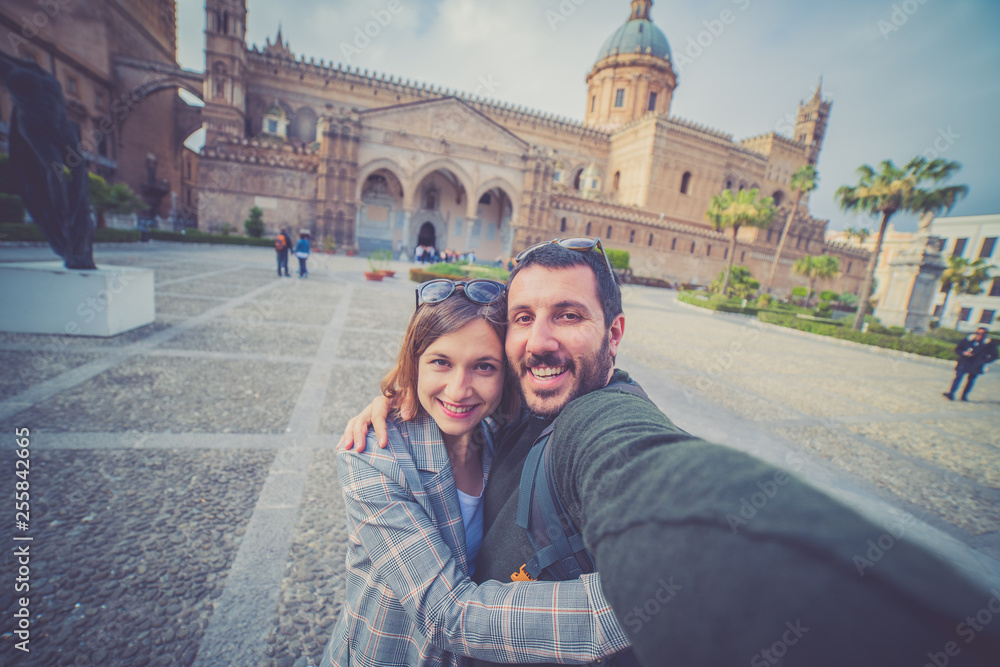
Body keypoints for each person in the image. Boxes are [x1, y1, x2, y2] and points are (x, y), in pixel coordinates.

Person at [343, 237, 1000, 666]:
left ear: (615, 330)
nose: (537, 342)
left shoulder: (591, 417)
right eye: (523, 318)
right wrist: (398, 391)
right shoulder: (404, 441)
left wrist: (653, 589)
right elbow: (447, 607)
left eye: (569, 315)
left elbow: (642, 468)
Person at [321, 277, 632, 667]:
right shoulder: (373, 457)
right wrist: (631, 607)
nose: (458, 389)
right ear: (414, 364)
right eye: (441, 362)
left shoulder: (498, 431)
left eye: (484, 367)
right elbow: (446, 614)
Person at [943, 326, 997, 401]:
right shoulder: (967, 340)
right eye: (978, 333)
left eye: (982, 334)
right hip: (964, 362)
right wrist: (963, 353)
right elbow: (957, 349)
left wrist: (983, 361)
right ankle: (951, 393)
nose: (979, 335)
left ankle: (964, 395)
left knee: (970, 380)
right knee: (958, 377)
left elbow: (994, 356)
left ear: (985, 335)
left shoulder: (989, 344)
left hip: (976, 364)